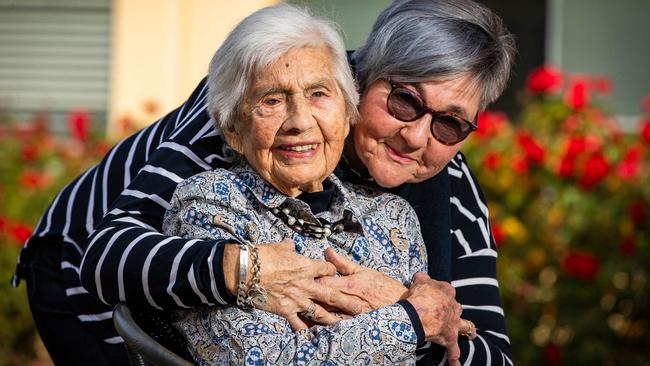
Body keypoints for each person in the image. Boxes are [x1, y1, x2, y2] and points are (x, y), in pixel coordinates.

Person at [13, 0, 514, 364]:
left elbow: (486, 351)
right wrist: (248, 268)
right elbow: (109, 258)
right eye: (404, 100)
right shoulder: (254, 109)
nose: (416, 135)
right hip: (78, 268)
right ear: (360, 79)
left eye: (450, 124)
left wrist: (411, 311)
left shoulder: (449, 185)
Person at [163, 7, 473, 364]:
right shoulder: (212, 206)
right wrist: (410, 319)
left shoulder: (393, 218)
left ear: (347, 116)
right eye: (272, 100)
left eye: (318, 94)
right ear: (232, 129)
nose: (299, 121)